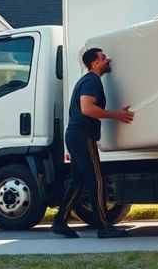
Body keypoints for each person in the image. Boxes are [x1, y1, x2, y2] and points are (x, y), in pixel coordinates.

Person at [52, 48, 135, 238]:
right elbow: (87, 109)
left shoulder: (88, 80)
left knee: (78, 181)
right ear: (94, 63)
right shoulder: (91, 80)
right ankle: (104, 227)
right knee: (96, 180)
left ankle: (60, 222)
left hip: (76, 136)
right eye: (104, 58)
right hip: (82, 136)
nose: (108, 60)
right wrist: (117, 115)